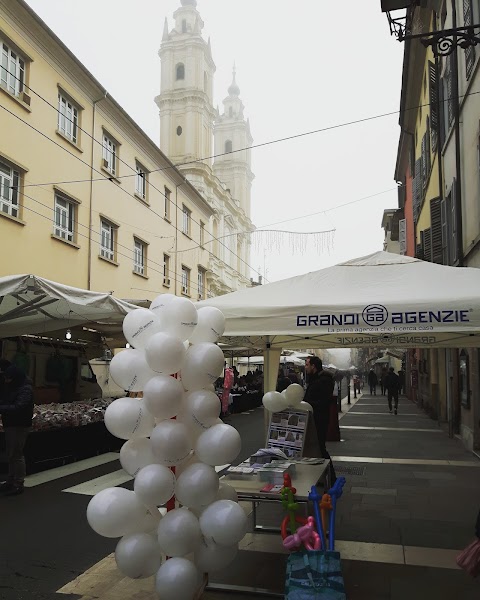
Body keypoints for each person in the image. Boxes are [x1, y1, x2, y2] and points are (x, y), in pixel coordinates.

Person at [0, 365, 34, 495]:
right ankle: (10, 480)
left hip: (19, 425)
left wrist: (1, 408)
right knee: (11, 454)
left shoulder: (25, 390)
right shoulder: (14, 387)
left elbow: (19, 407)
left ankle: (18, 482)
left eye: (9, 379)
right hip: (11, 424)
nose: (6, 381)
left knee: (16, 454)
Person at [303, 356, 336, 484]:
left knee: (321, 448)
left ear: (313, 366)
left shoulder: (323, 380)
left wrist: (307, 402)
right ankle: (323, 477)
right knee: (317, 449)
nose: (305, 367)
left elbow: (323, 401)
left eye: (307, 365)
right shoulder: (316, 379)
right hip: (314, 419)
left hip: (319, 419)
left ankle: (332, 477)